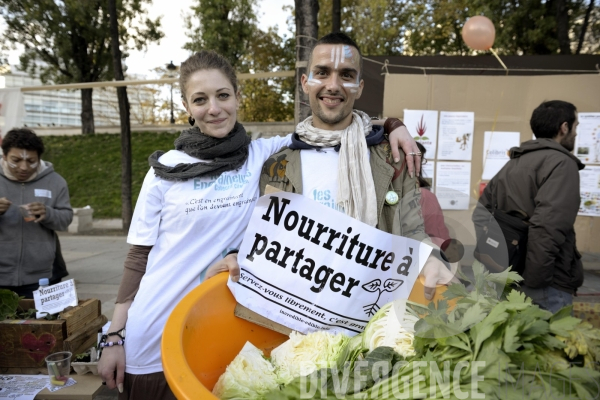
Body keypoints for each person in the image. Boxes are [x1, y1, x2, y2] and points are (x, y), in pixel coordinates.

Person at [97, 49, 419, 399]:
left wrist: (392, 126)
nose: (214, 108)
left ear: (238, 97)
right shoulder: (165, 170)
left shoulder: (264, 155)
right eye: (200, 99)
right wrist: (115, 336)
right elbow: (137, 260)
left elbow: (333, 124)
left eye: (223, 95)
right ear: (187, 107)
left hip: (215, 326)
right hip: (152, 331)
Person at [255, 32, 456, 299]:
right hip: (298, 312)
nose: (333, 85)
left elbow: (413, 231)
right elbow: (268, 241)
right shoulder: (276, 166)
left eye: (346, 75)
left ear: (360, 86)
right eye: (322, 73)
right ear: (305, 83)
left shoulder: (393, 158)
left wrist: (429, 258)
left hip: (373, 309)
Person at [473, 100, 584, 313]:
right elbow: (547, 227)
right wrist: (534, 282)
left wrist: (499, 260)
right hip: (545, 284)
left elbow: (481, 214)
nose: (576, 133)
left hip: (508, 278)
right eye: (576, 126)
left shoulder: (513, 163)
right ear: (564, 127)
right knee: (550, 345)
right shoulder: (562, 164)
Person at [0, 128, 73, 298]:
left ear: (39, 158)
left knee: (39, 324)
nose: (24, 167)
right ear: (4, 156)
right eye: (16, 160)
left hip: (40, 276)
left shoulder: (55, 182)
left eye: (31, 161)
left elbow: (65, 219)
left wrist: (48, 213)